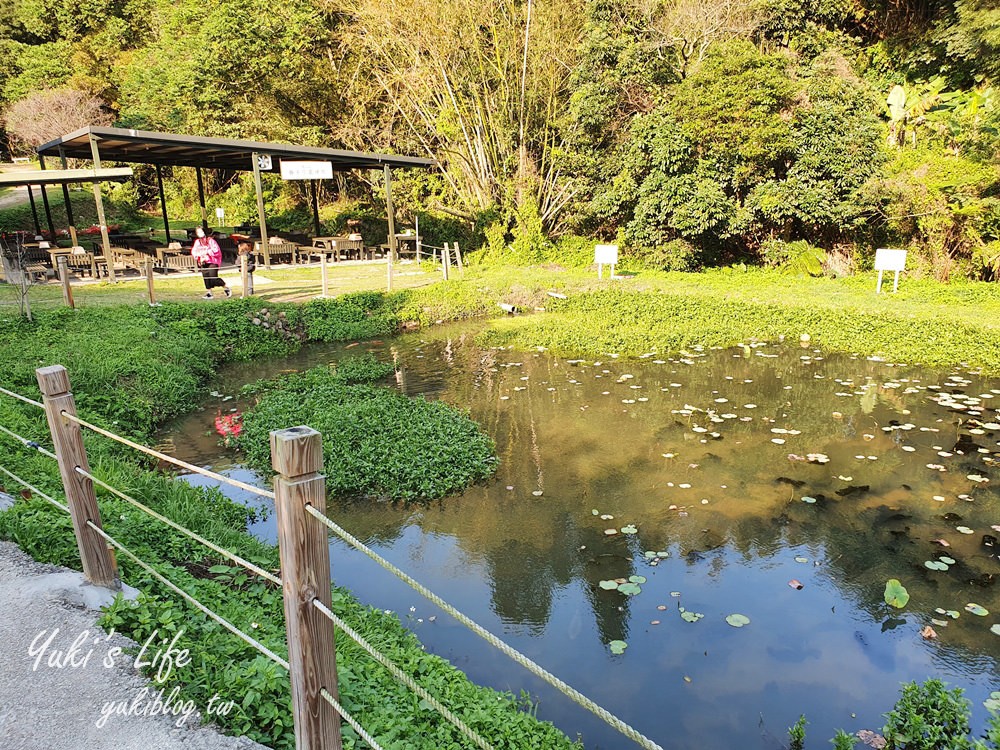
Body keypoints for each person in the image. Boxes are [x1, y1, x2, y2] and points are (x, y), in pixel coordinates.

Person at [190, 226, 230, 299]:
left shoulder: (210, 240)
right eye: (198, 232)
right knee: (206, 278)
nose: (200, 233)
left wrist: (207, 253)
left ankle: (225, 287)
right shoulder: (197, 242)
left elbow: (216, 251)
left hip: (212, 261)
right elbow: (194, 251)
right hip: (203, 262)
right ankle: (209, 293)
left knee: (213, 278)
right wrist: (200, 256)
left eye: (201, 231)